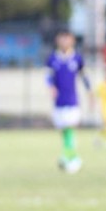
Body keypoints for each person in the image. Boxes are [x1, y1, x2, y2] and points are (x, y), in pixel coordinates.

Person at [46, 30, 90, 173]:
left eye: (67, 39)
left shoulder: (77, 58)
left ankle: (72, 158)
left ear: (72, 41)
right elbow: (48, 77)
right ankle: (69, 156)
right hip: (58, 101)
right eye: (62, 39)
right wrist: (51, 87)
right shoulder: (53, 58)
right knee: (64, 130)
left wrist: (90, 93)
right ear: (57, 40)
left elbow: (84, 76)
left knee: (70, 128)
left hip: (72, 99)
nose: (65, 42)